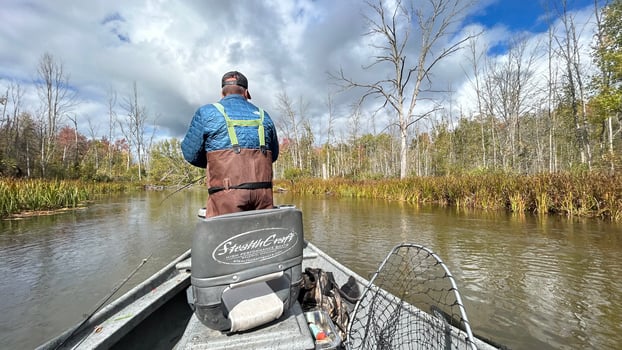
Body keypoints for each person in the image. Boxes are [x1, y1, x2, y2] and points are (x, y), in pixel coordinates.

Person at [181, 71, 279, 217]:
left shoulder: (206, 112)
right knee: (261, 237)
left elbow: (190, 154)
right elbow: (274, 155)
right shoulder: (264, 116)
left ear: (222, 93)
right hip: (263, 196)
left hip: (225, 196)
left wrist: (216, 164)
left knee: (224, 236)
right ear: (246, 93)